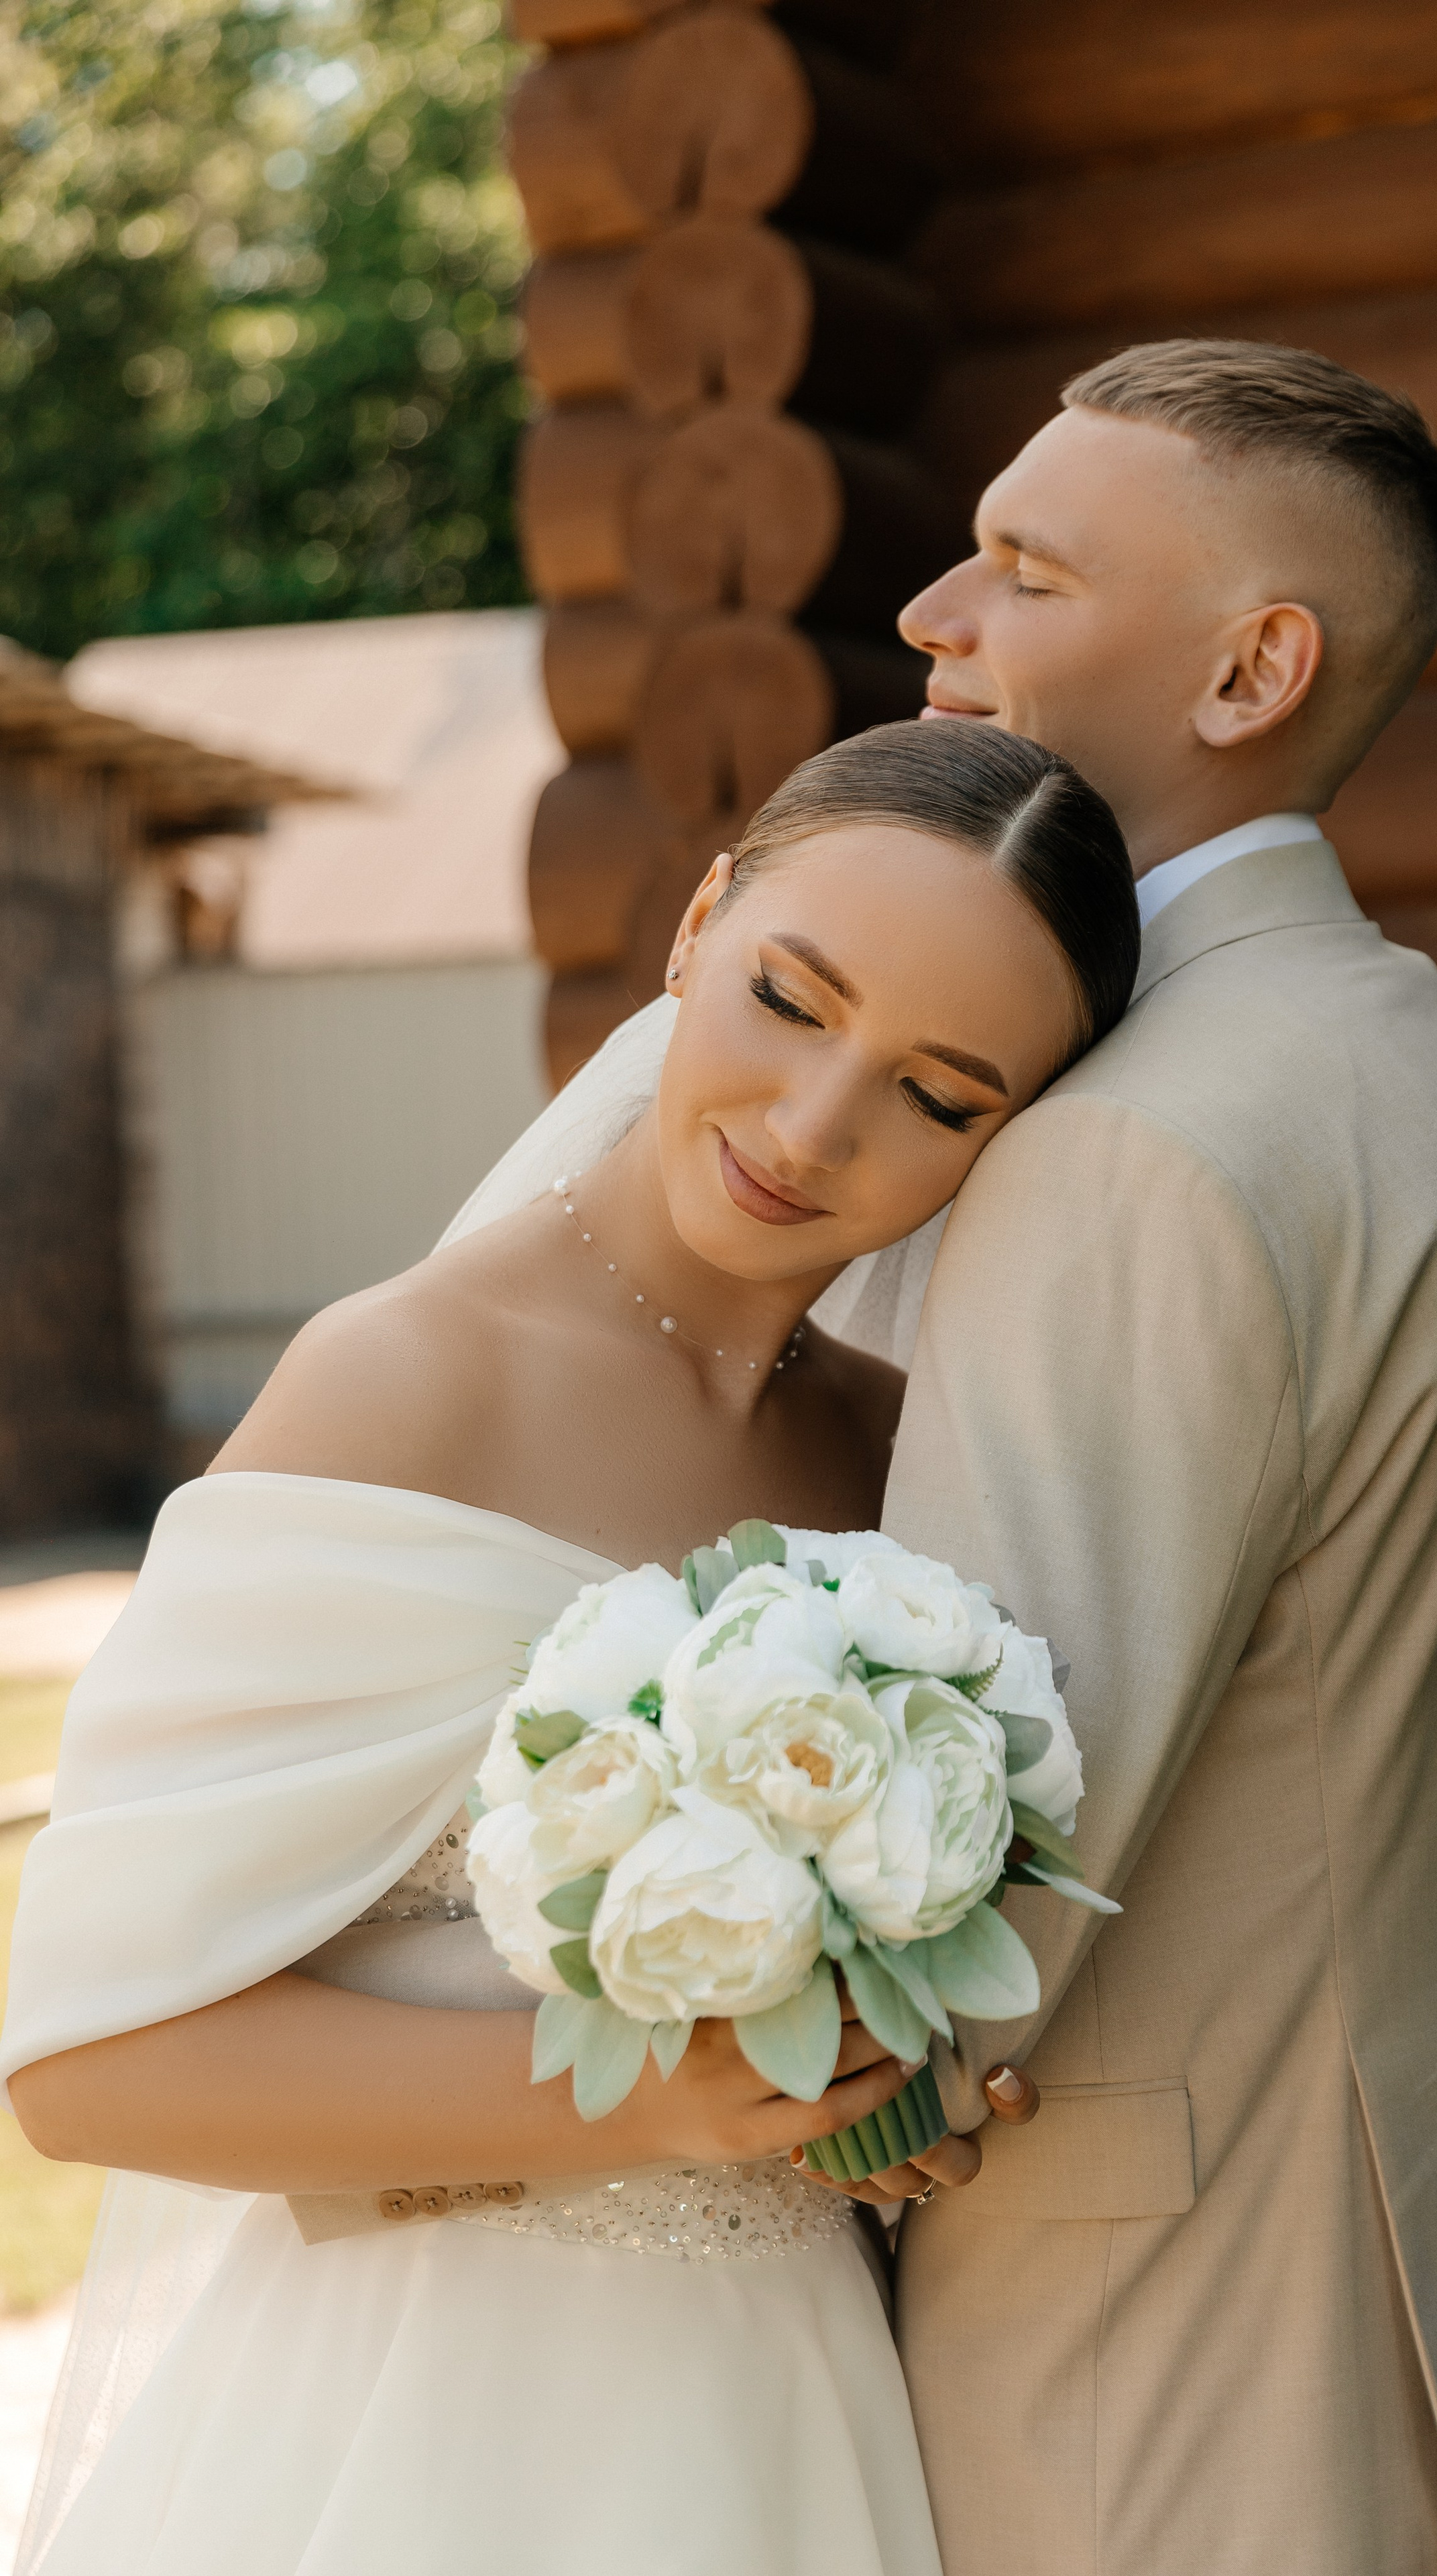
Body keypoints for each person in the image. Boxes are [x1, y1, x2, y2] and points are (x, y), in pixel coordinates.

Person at [438, 340, 1437, 2574]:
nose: (931, 612)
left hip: (1168, 2361)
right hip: (1434, 2263)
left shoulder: (1129, 1150)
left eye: (1023, 564)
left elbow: (959, 1883)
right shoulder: (1421, 1042)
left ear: (1250, 669)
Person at [0, 721, 1141, 2576]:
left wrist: (866, 2090)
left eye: (940, 1093)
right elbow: (88, 2058)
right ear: (699, 923)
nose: (810, 1123)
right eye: (791, 997)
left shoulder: (894, 1452)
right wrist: (660, 2100)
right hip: (438, 2438)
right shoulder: (405, 1378)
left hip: (791, 2416)